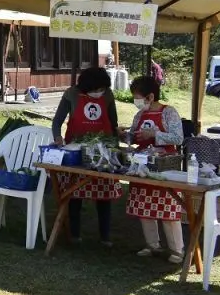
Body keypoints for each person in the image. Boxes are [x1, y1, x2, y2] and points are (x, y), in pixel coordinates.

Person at [51, 66, 122, 247]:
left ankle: (105, 237)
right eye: (96, 90)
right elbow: (58, 120)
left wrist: (115, 147)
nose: (99, 93)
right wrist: (57, 137)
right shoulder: (71, 94)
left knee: (104, 196)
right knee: (74, 193)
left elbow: (113, 123)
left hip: (102, 149)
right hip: (76, 149)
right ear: (86, 86)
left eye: (102, 90)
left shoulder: (107, 96)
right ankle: (75, 234)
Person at [125, 75, 186, 263]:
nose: (136, 101)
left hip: (165, 165)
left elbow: (178, 138)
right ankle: (152, 245)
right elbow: (134, 135)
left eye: (138, 97)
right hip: (143, 164)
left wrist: (155, 134)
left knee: (168, 207)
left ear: (150, 97)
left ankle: (177, 250)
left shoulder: (169, 112)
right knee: (144, 205)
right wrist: (127, 136)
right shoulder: (140, 114)